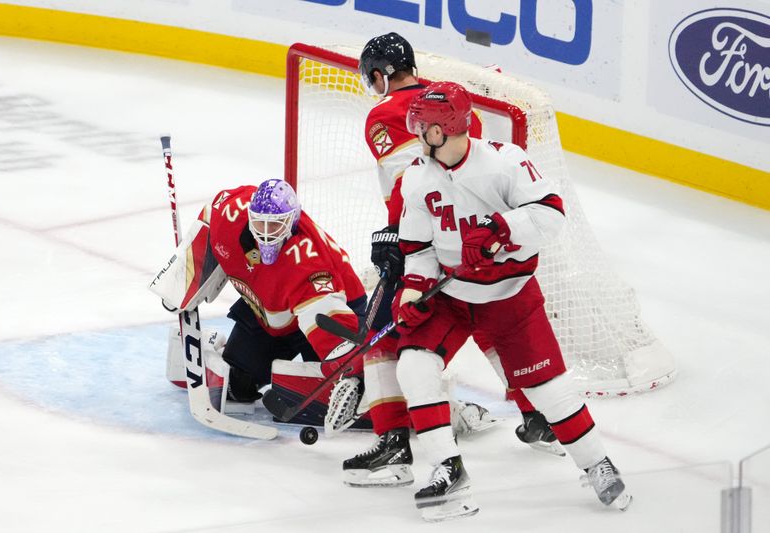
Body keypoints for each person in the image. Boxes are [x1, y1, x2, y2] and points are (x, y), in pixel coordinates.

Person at [392, 82, 631, 521]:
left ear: (446, 128)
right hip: (450, 296)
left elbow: (551, 213)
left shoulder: (504, 162)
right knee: (413, 364)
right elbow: (418, 249)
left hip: (509, 295)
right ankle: (448, 468)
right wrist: (412, 290)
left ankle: (597, 462)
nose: (418, 131)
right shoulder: (416, 176)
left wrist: (501, 228)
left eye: (424, 125)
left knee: (548, 389)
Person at [338, 33, 559, 489]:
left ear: (380, 75)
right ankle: (537, 414)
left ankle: (395, 442)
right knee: (487, 318)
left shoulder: (384, 113)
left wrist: (396, 235)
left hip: (425, 237)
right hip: (475, 237)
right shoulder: (446, 100)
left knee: (383, 328)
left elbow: (410, 178)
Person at [161, 178, 369, 418]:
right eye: (260, 224)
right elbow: (210, 215)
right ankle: (218, 347)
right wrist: (183, 276)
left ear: (293, 221)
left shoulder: (306, 262)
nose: (267, 234)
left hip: (336, 307)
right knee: (237, 385)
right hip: (271, 311)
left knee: (326, 396)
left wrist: (348, 370)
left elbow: (328, 317)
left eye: (276, 226)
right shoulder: (230, 214)